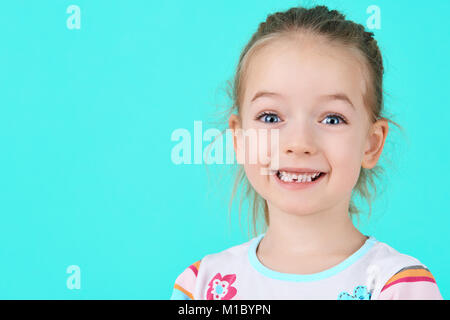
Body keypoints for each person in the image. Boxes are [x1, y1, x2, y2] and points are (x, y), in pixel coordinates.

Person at [170, 5, 443, 300]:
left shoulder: (398, 286)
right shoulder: (201, 285)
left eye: (332, 119)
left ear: (372, 143)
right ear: (239, 139)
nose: (299, 143)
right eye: (271, 117)